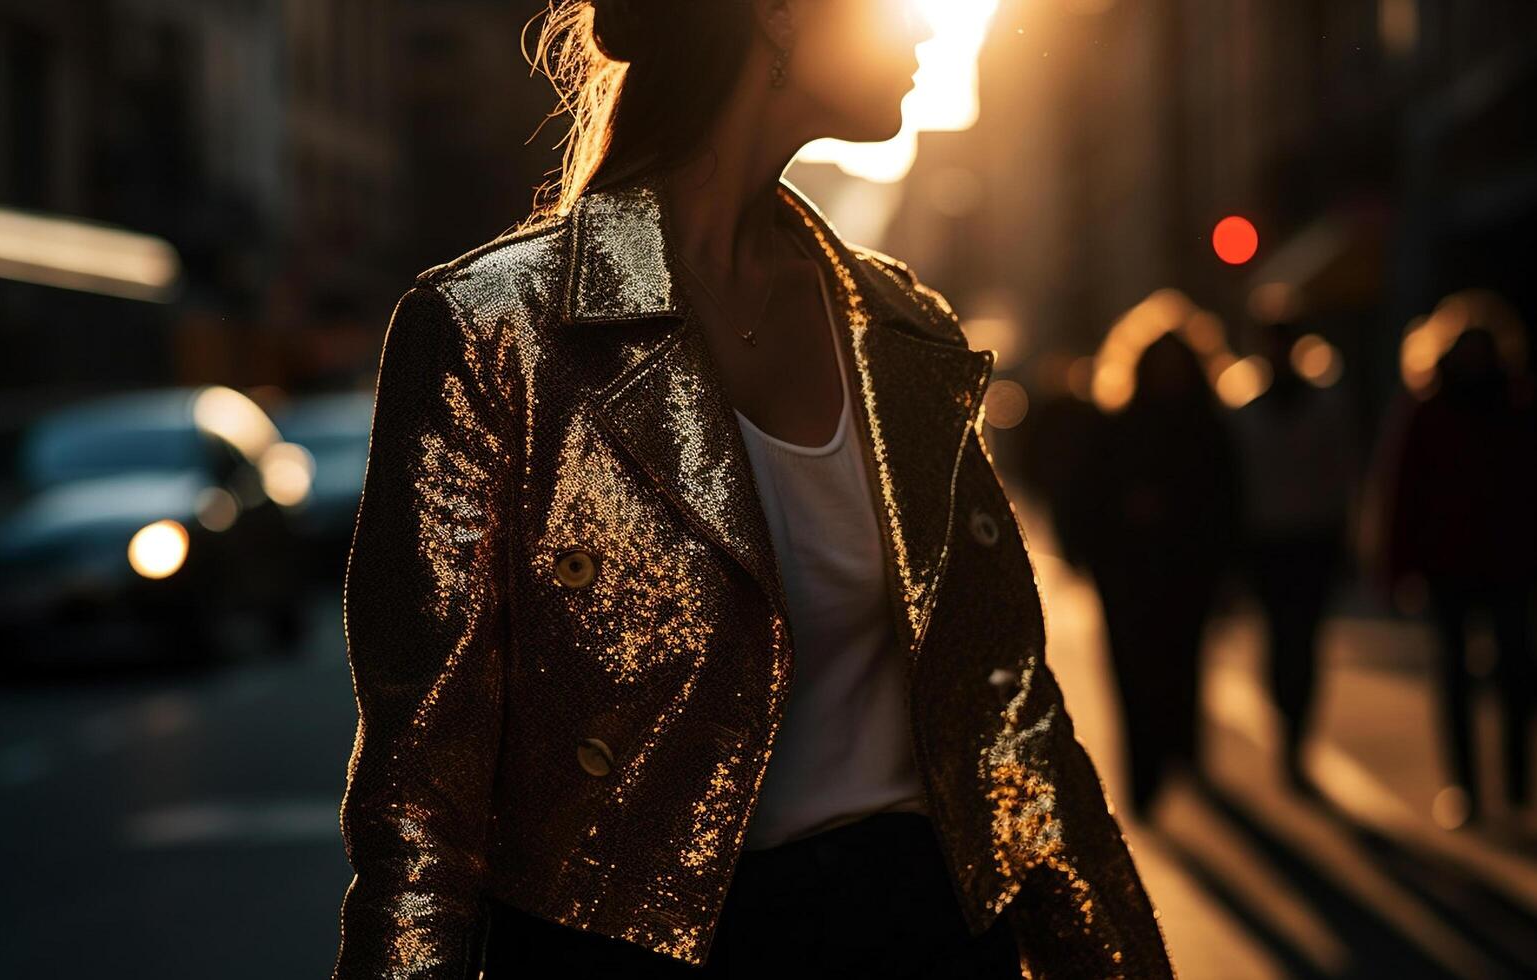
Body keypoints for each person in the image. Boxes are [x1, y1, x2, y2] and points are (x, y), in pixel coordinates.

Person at [331, 1, 1174, 977]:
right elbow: (420, 804)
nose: (929, 34)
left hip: (925, 928)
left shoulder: (903, 332)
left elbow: (1012, 725)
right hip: (634, 946)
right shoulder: (494, 335)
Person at [1072, 333, 1241, 818]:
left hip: (1189, 571)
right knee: (1131, 674)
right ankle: (1145, 775)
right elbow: (1084, 496)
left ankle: (1182, 754)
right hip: (1127, 573)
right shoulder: (1116, 427)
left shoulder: (1207, 427)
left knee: (1183, 665)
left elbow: (1226, 500)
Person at [1384, 324, 1537, 826]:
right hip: (1448, 562)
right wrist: (1399, 565)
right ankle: (1466, 787)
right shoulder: (1429, 411)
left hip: (1509, 559)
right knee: (1455, 674)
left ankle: (1517, 783)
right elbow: (1405, 490)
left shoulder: (1516, 406)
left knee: (1516, 670)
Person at [1228, 321, 1358, 795]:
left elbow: (1342, 475)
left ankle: (1297, 735)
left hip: (1313, 540)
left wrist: (1346, 535)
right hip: (1266, 544)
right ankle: (1285, 719)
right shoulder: (1243, 413)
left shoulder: (1325, 407)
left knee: (1304, 640)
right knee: (1279, 641)